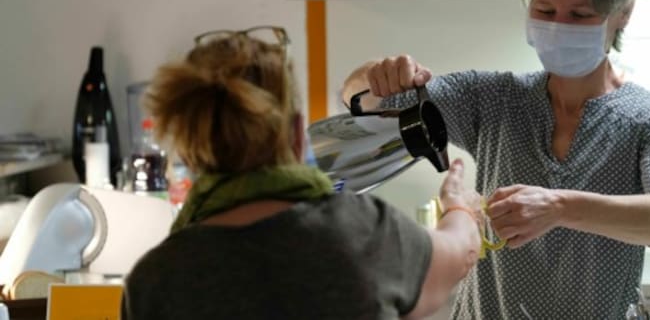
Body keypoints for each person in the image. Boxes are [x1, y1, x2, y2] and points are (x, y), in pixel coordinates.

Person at [341, 0, 650, 319]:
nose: (559, 26)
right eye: (545, 12)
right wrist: (376, 75)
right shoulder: (494, 98)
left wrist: (559, 206)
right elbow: (363, 103)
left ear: (622, 13)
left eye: (580, 15)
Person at [121, 26, 483, 320]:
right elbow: (459, 253)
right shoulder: (361, 231)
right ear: (297, 134)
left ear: (188, 151)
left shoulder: (154, 280)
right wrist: (460, 207)